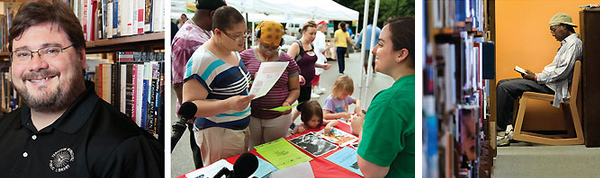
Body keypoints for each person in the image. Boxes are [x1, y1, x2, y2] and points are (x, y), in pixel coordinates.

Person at [0, 1, 163, 177]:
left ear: (81, 57)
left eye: (51, 50)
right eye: (23, 54)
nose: (36, 65)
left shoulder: (126, 148)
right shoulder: (4, 126)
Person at [496, 13, 582, 146]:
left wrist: (536, 77)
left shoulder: (573, 44)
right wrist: (535, 76)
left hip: (552, 87)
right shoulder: (567, 43)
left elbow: (562, 72)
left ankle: (500, 133)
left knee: (504, 88)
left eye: (553, 30)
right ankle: (508, 129)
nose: (552, 34)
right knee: (502, 83)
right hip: (549, 83)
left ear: (564, 27)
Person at [182, 6, 253, 165]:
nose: (243, 39)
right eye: (236, 35)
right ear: (218, 33)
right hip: (219, 133)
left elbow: (230, 84)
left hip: (237, 129)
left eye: (244, 33)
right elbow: (190, 106)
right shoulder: (203, 60)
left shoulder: (232, 50)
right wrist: (228, 104)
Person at [357, 17, 415, 178]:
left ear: (401, 54)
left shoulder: (390, 102)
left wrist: (361, 127)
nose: (374, 50)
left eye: (381, 44)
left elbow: (371, 170)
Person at [171, 0, 226, 168]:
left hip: (211, 111)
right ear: (212, 14)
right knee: (203, 162)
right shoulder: (187, 40)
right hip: (199, 116)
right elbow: (179, 83)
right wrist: (193, 117)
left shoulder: (205, 32)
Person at [240, 21, 301, 148]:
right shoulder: (244, 57)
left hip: (278, 118)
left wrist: (287, 103)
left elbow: (295, 89)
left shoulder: (288, 61)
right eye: (265, 46)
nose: (269, 51)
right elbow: (235, 86)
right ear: (257, 39)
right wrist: (252, 82)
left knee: (275, 151)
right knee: (253, 150)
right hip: (251, 116)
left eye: (274, 48)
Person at [288, 21, 330, 120]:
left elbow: (309, 62)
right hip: (298, 83)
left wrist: (321, 66)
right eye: (311, 33)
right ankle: (290, 124)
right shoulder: (296, 45)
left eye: (315, 33)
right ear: (303, 32)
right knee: (303, 106)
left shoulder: (311, 46)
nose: (313, 36)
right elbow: (288, 63)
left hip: (308, 83)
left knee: (303, 105)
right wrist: (296, 75)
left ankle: (291, 123)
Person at [311, 21, 332, 98]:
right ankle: (312, 90)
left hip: (314, 54)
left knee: (316, 73)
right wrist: (328, 47)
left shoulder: (315, 34)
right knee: (316, 74)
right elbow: (322, 48)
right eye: (325, 26)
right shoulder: (322, 35)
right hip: (319, 56)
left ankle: (317, 87)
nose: (325, 28)